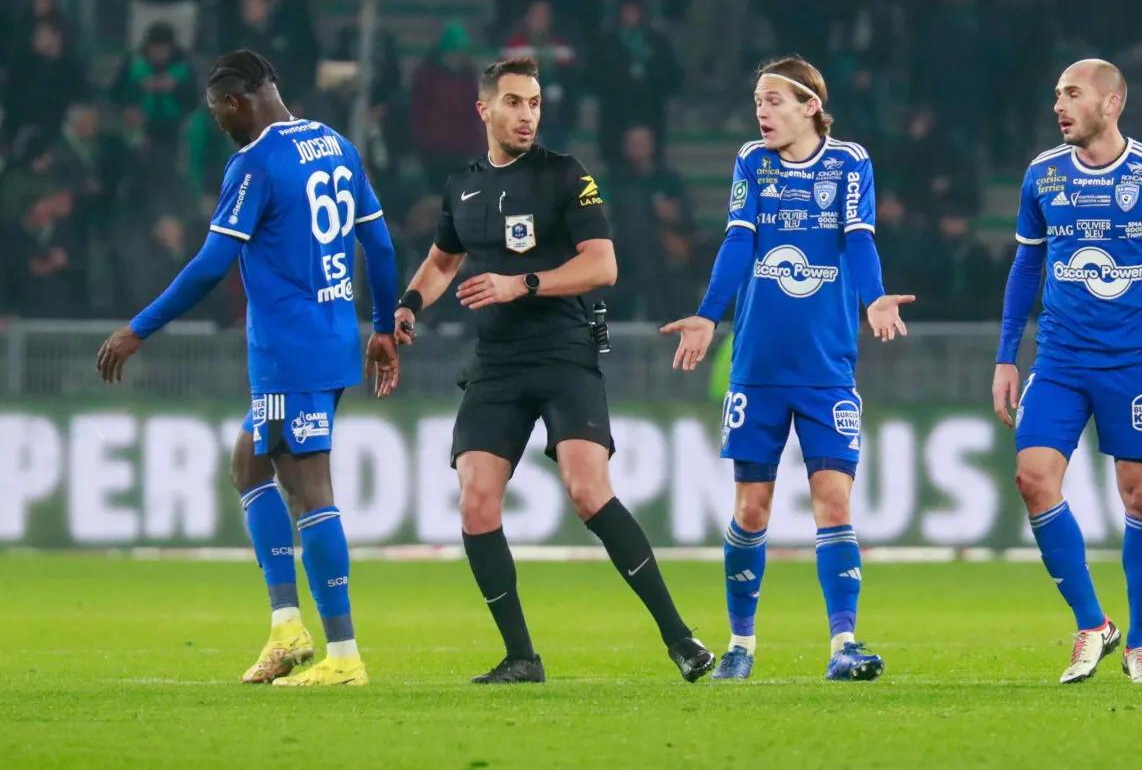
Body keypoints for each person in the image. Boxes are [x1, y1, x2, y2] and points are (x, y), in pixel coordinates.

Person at [393, 56, 714, 685]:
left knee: (588, 489)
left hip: (564, 348)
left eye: (535, 103)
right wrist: (408, 306)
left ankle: (681, 639)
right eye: (514, 102)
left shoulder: (567, 175)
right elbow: (440, 263)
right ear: (484, 110)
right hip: (496, 363)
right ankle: (522, 657)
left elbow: (603, 266)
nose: (527, 114)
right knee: (476, 504)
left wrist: (523, 284)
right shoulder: (462, 186)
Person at [95, 50, 401, 688]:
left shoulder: (255, 163)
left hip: (290, 352)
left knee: (308, 486)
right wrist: (381, 326)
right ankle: (287, 629)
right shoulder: (335, 144)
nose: (216, 124)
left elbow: (210, 264)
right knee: (249, 463)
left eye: (216, 112)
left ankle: (343, 657)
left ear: (236, 101)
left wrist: (138, 328)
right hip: (333, 338)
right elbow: (379, 241)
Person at [661, 56, 914, 682]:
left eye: (774, 100)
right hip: (758, 366)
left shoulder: (849, 162)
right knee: (752, 509)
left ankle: (844, 645)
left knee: (834, 501)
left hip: (827, 367)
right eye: (757, 101)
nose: (762, 111)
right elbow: (738, 241)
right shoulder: (753, 161)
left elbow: (858, 238)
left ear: (809, 106)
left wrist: (873, 295)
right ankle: (741, 645)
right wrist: (707, 315)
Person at [992, 59, 1142, 685]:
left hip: (1132, 364)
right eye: (1057, 93)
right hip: (1057, 362)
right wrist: (1007, 355)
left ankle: (1140, 641)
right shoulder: (1043, 176)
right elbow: (1025, 269)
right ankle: (1093, 624)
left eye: (1073, 94)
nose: (1060, 105)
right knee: (1033, 479)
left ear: (1111, 104)